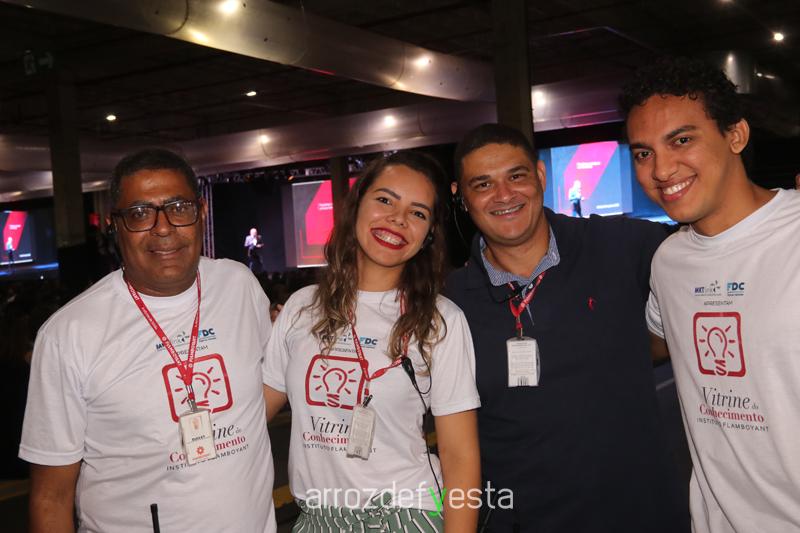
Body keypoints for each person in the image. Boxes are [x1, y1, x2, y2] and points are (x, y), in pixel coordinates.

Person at [445, 123, 688, 532]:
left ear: (541, 176)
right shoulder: (451, 302)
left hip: (642, 517)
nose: (503, 195)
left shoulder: (623, 246)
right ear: (461, 196)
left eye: (516, 176)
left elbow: (715, 255)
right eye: (483, 184)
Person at [20, 148, 277, 532]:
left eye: (179, 208)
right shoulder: (68, 335)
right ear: (115, 225)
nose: (163, 227)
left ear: (201, 212)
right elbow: (50, 498)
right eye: (140, 213)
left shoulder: (239, 286)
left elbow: (260, 395)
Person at [621, 56, 800, 533]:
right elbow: (659, 341)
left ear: (735, 135)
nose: (662, 169)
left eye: (682, 140)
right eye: (643, 153)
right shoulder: (669, 262)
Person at [263, 151, 481, 532]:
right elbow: (253, 415)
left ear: (429, 234)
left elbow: (459, 456)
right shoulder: (302, 307)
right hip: (316, 521)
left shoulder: (442, 321)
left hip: (405, 517)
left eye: (418, 213)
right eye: (385, 200)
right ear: (356, 206)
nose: (398, 219)